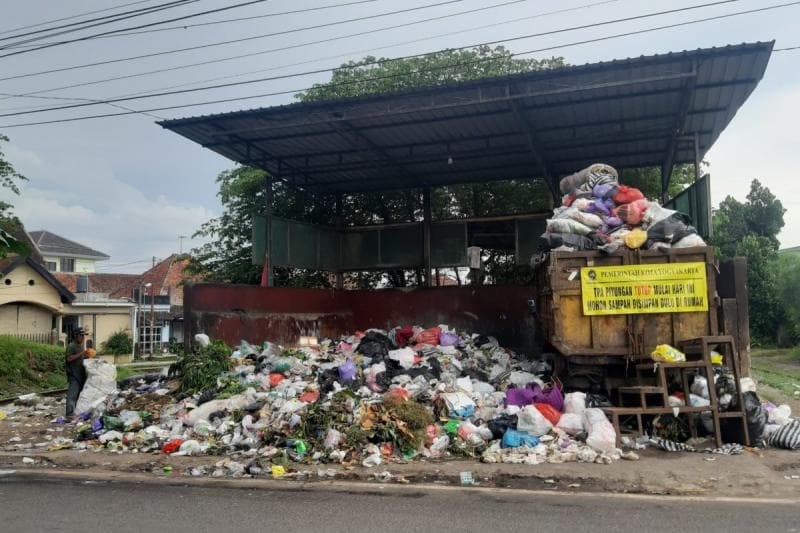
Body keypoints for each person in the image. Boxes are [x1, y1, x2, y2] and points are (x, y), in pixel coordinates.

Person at [65, 329, 89, 419]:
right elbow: (69, 359)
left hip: (81, 374)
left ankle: (77, 412)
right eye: (81, 336)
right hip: (73, 374)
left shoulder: (80, 346)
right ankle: (69, 414)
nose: (83, 338)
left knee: (80, 395)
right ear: (76, 336)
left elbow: (80, 357)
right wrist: (82, 353)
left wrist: (87, 355)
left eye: (83, 336)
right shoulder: (71, 346)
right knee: (72, 395)